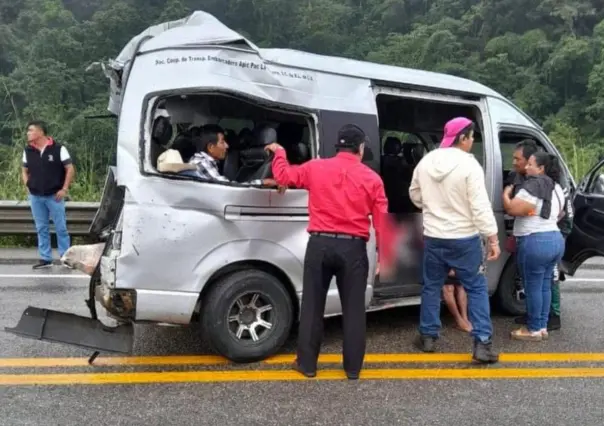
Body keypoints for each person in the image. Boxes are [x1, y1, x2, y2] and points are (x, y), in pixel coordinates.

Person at [264, 124, 388, 380]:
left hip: (319, 245)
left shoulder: (315, 167)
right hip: (353, 248)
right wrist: (384, 256)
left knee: (312, 306)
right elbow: (382, 222)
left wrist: (279, 152)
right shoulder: (372, 179)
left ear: (338, 147)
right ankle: (352, 369)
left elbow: (284, 177)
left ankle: (307, 365)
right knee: (354, 310)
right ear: (360, 148)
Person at [409, 117, 500, 364]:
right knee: (476, 287)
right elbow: (480, 206)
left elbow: (414, 194)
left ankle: (428, 336)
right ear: (463, 138)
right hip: (464, 239)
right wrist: (492, 238)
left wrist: (433, 207)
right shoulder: (470, 166)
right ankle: (482, 343)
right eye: (471, 138)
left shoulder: (426, 161)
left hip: (434, 237)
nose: (472, 142)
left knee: (431, 286)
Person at [507, 140, 571, 331]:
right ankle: (542, 326)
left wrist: (506, 193)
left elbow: (512, 209)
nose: (526, 167)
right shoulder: (557, 187)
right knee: (544, 285)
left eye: (530, 164)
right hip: (555, 239)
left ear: (540, 168)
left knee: (533, 287)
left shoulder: (533, 186)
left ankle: (534, 329)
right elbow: (560, 213)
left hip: (535, 240)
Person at [21, 120, 75, 269]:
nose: (28, 133)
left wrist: (64, 189)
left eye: (31, 130)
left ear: (40, 132)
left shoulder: (58, 149)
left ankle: (65, 257)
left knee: (61, 227)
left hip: (54, 195)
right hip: (36, 196)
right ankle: (46, 258)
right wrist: (28, 185)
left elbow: (69, 169)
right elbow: (24, 170)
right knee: (41, 227)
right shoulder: (28, 151)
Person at [188, 124, 284, 191]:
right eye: (222, 142)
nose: (227, 146)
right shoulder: (201, 164)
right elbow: (229, 188)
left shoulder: (202, 160)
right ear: (211, 147)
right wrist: (263, 182)